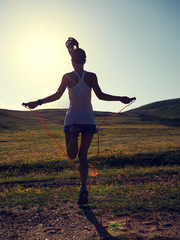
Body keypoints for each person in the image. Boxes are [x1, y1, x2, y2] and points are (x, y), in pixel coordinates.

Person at [23, 38, 135, 205]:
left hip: (73, 119)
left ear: (72, 60)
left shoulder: (67, 77)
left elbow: (57, 95)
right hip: (89, 119)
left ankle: (74, 135)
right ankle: (83, 187)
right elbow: (101, 95)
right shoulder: (91, 76)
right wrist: (121, 99)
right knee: (83, 157)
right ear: (85, 60)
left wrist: (37, 102)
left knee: (72, 154)